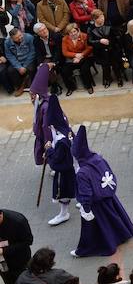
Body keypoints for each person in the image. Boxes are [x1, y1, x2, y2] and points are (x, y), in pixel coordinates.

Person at [70, 125, 133, 257]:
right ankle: (122, 234)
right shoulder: (98, 159)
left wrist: (86, 208)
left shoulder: (82, 173)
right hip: (109, 197)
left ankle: (86, 249)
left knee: (93, 229)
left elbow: (86, 193)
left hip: (96, 204)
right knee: (114, 218)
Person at [43, 95, 76, 227]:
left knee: (62, 191)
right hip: (70, 165)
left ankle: (64, 214)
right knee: (72, 188)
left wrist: (49, 150)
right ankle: (65, 212)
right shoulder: (63, 129)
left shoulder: (62, 140)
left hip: (65, 169)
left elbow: (57, 158)